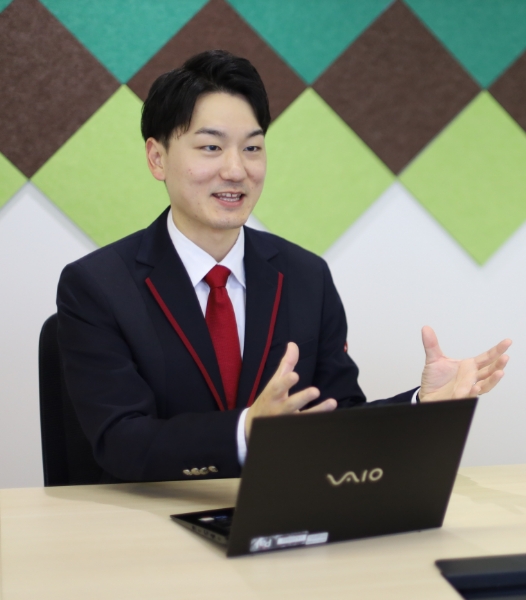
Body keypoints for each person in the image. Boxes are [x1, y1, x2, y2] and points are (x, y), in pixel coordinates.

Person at [57, 50, 511, 483]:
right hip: (149, 523)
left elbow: (336, 419)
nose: (236, 170)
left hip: (279, 515)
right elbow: (121, 440)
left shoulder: (305, 277)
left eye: (252, 148)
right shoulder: (97, 286)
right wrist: (245, 431)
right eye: (211, 147)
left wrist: (420, 404)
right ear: (157, 158)